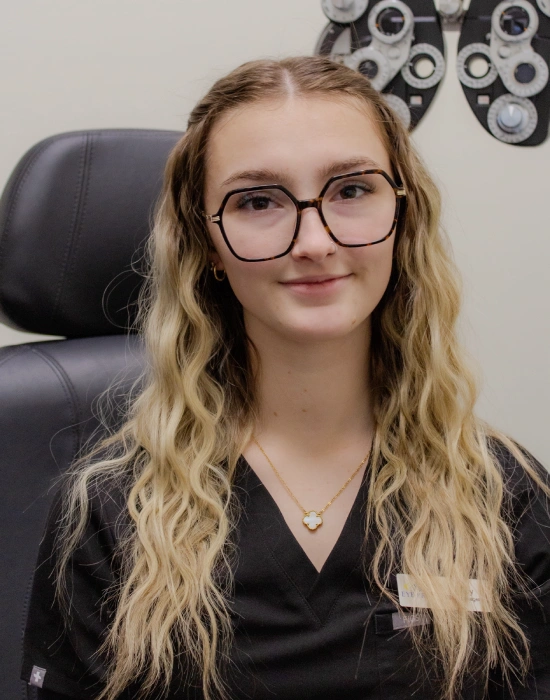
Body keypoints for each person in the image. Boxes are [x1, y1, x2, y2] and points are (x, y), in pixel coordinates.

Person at [21, 56, 550, 700]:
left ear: (402, 214)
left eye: (351, 190)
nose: (314, 240)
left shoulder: (507, 498)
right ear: (207, 245)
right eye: (258, 201)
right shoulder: (113, 513)